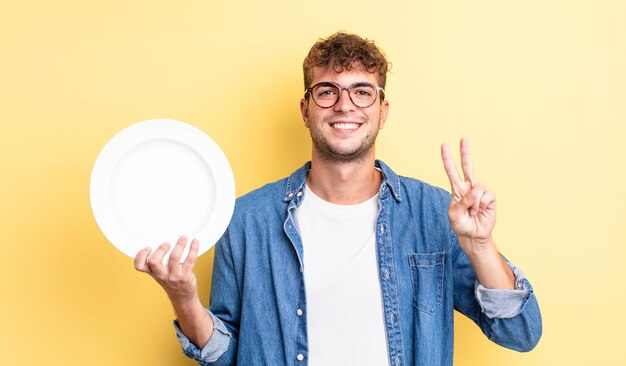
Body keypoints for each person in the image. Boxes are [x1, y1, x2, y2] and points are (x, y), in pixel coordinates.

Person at [134, 32, 542, 366]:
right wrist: (183, 298)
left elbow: (520, 332)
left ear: (382, 111)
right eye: (327, 91)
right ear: (305, 109)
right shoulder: (245, 220)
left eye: (362, 91)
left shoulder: (435, 213)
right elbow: (225, 355)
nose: (344, 104)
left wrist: (480, 246)